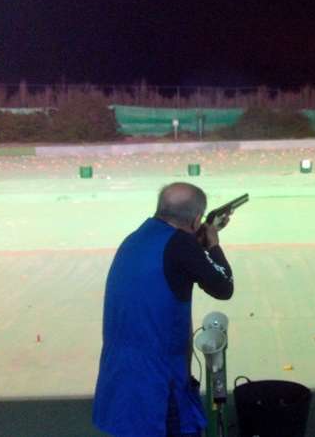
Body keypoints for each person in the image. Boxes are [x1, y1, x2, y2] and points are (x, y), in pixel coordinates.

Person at [93, 182, 235, 437]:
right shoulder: (182, 246)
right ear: (196, 220)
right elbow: (223, 287)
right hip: (159, 384)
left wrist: (197, 243)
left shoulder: (135, 239)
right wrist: (213, 244)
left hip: (121, 378)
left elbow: (174, 260)